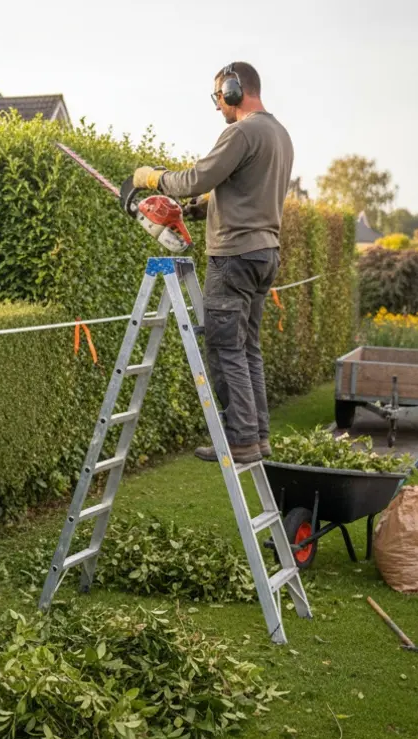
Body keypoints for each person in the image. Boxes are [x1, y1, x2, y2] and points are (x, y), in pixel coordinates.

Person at [130, 61, 293, 464]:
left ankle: (239, 440)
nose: (218, 104)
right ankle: (257, 437)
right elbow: (240, 190)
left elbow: (197, 178)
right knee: (248, 348)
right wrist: (199, 209)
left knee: (224, 350)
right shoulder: (279, 134)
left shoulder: (240, 131)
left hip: (233, 256)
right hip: (264, 252)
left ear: (234, 91)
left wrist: (151, 178)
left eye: (218, 96)